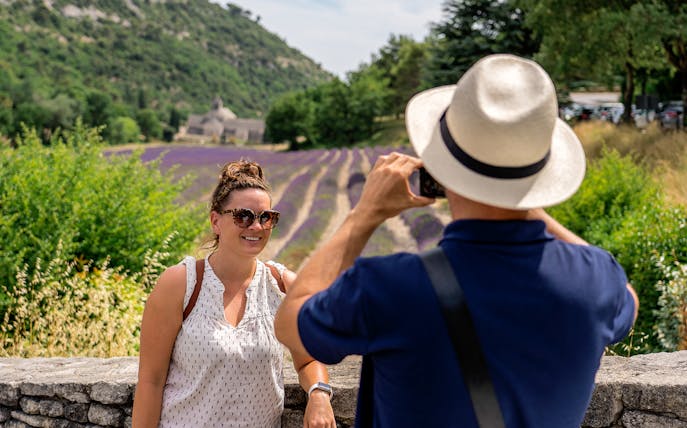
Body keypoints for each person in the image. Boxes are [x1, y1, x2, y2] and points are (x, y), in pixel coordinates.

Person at [274, 54, 639, 427]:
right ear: (541, 173)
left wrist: (364, 213)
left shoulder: (388, 287)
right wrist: (524, 203)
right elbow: (629, 296)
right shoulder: (595, 281)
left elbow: (290, 324)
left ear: (441, 165)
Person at [132, 160, 336, 427]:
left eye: (267, 217)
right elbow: (151, 380)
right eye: (243, 216)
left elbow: (309, 358)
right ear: (216, 221)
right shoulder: (181, 283)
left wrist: (319, 395)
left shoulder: (282, 286)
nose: (256, 226)